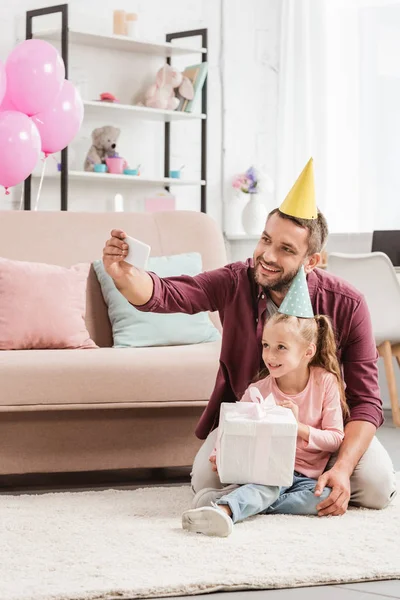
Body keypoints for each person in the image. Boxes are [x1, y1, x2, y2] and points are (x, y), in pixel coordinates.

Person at [102, 158, 397, 515]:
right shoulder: (235, 280)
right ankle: (278, 492)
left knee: (376, 488)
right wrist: (124, 276)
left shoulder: (347, 304)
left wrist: (343, 468)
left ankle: (254, 496)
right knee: (207, 480)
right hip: (251, 424)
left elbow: (366, 401)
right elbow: (169, 293)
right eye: (266, 240)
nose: (267, 256)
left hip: (321, 433)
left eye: (286, 249)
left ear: (312, 260)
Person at [182, 273, 347, 537]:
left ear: (308, 352)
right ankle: (226, 512)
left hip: (306, 477)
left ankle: (237, 500)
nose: (270, 355)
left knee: (324, 497)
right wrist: (219, 453)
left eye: (281, 347)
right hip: (266, 470)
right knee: (269, 486)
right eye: (266, 345)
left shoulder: (324, 382)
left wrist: (299, 428)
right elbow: (233, 428)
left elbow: (335, 439)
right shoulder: (258, 391)